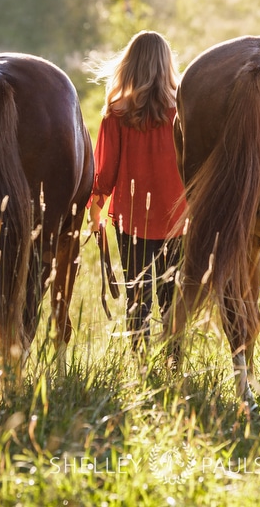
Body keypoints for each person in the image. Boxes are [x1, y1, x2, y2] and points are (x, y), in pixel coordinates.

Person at [88, 30, 187, 354]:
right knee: (173, 295)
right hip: (178, 218)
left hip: (132, 220)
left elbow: (105, 172)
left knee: (138, 294)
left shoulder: (117, 113)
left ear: (129, 65)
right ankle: (173, 364)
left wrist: (94, 212)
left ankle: (140, 366)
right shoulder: (183, 113)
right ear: (166, 64)